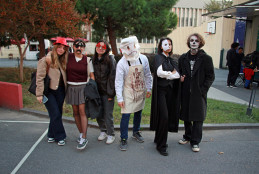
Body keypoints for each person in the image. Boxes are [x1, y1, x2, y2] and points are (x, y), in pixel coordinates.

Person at [178, 33, 215, 152]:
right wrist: (180, 78)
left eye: (196, 41)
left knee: (198, 118)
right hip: (186, 92)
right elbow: (179, 73)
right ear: (189, 43)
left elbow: (210, 76)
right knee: (186, 116)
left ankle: (195, 141)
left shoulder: (206, 58)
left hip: (199, 93)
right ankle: (187, 136)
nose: (194, 42)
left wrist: (203, 90)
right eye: (192, 40)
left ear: (200, 43)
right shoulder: (183, 58)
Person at [115, 36, 152, 151]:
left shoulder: (143, 58)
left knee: (138, 112)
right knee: (126, 115)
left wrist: (149, 88)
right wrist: (120, 98)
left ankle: (136, 131)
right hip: (128, 92)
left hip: (140, 90)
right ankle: (124, 138)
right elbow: (119, 81)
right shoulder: (122, 63)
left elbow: (147, 74)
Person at [150, 37, 181, 156]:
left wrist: (169, 75)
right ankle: (161, 145)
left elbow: (177, 75)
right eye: (166, 44)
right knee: (164, 117)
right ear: (161, 47)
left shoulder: (171, 59)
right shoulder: (158, 57)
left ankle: (158, 139)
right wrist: (170, 74)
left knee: (166, 117)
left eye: (170, 44)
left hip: (170, 92)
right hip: (161, 91)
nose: (168, 46)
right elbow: (159, 73)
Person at [36, 37, 69, 146]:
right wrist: (39, 94)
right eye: (59, 47)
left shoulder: (63, 60)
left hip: (60, 91)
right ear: (55, 47)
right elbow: (39, 77)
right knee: (55, 113)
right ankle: (60, 136)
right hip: (48, 92)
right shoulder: (46, 60)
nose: (61, 49)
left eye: (63, 48)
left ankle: (51, 134)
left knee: (57, 113)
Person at [66, 39, 95, 150]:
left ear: (84, 48)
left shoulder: (87, 60)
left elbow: (92, 75)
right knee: (75, 112)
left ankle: (84, 137)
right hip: (71, 87)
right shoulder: (68, 58)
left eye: (82, 46)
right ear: (73, 47)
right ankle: (81, 133)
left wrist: (91, 89)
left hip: (83, 87)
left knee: (82, 112)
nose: (79, 48)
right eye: (77, 46)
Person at [93, 40, 116, 144]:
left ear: (107, 49)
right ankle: (103, 131)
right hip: (97, 92)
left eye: (103, 47)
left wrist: (111, 93)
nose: (100, 48)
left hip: (107, 92)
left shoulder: (110, 59)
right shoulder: (93, 59)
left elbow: (113, 77)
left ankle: (111, 134)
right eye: (98, 46)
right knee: (99, 113)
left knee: (107, 114)